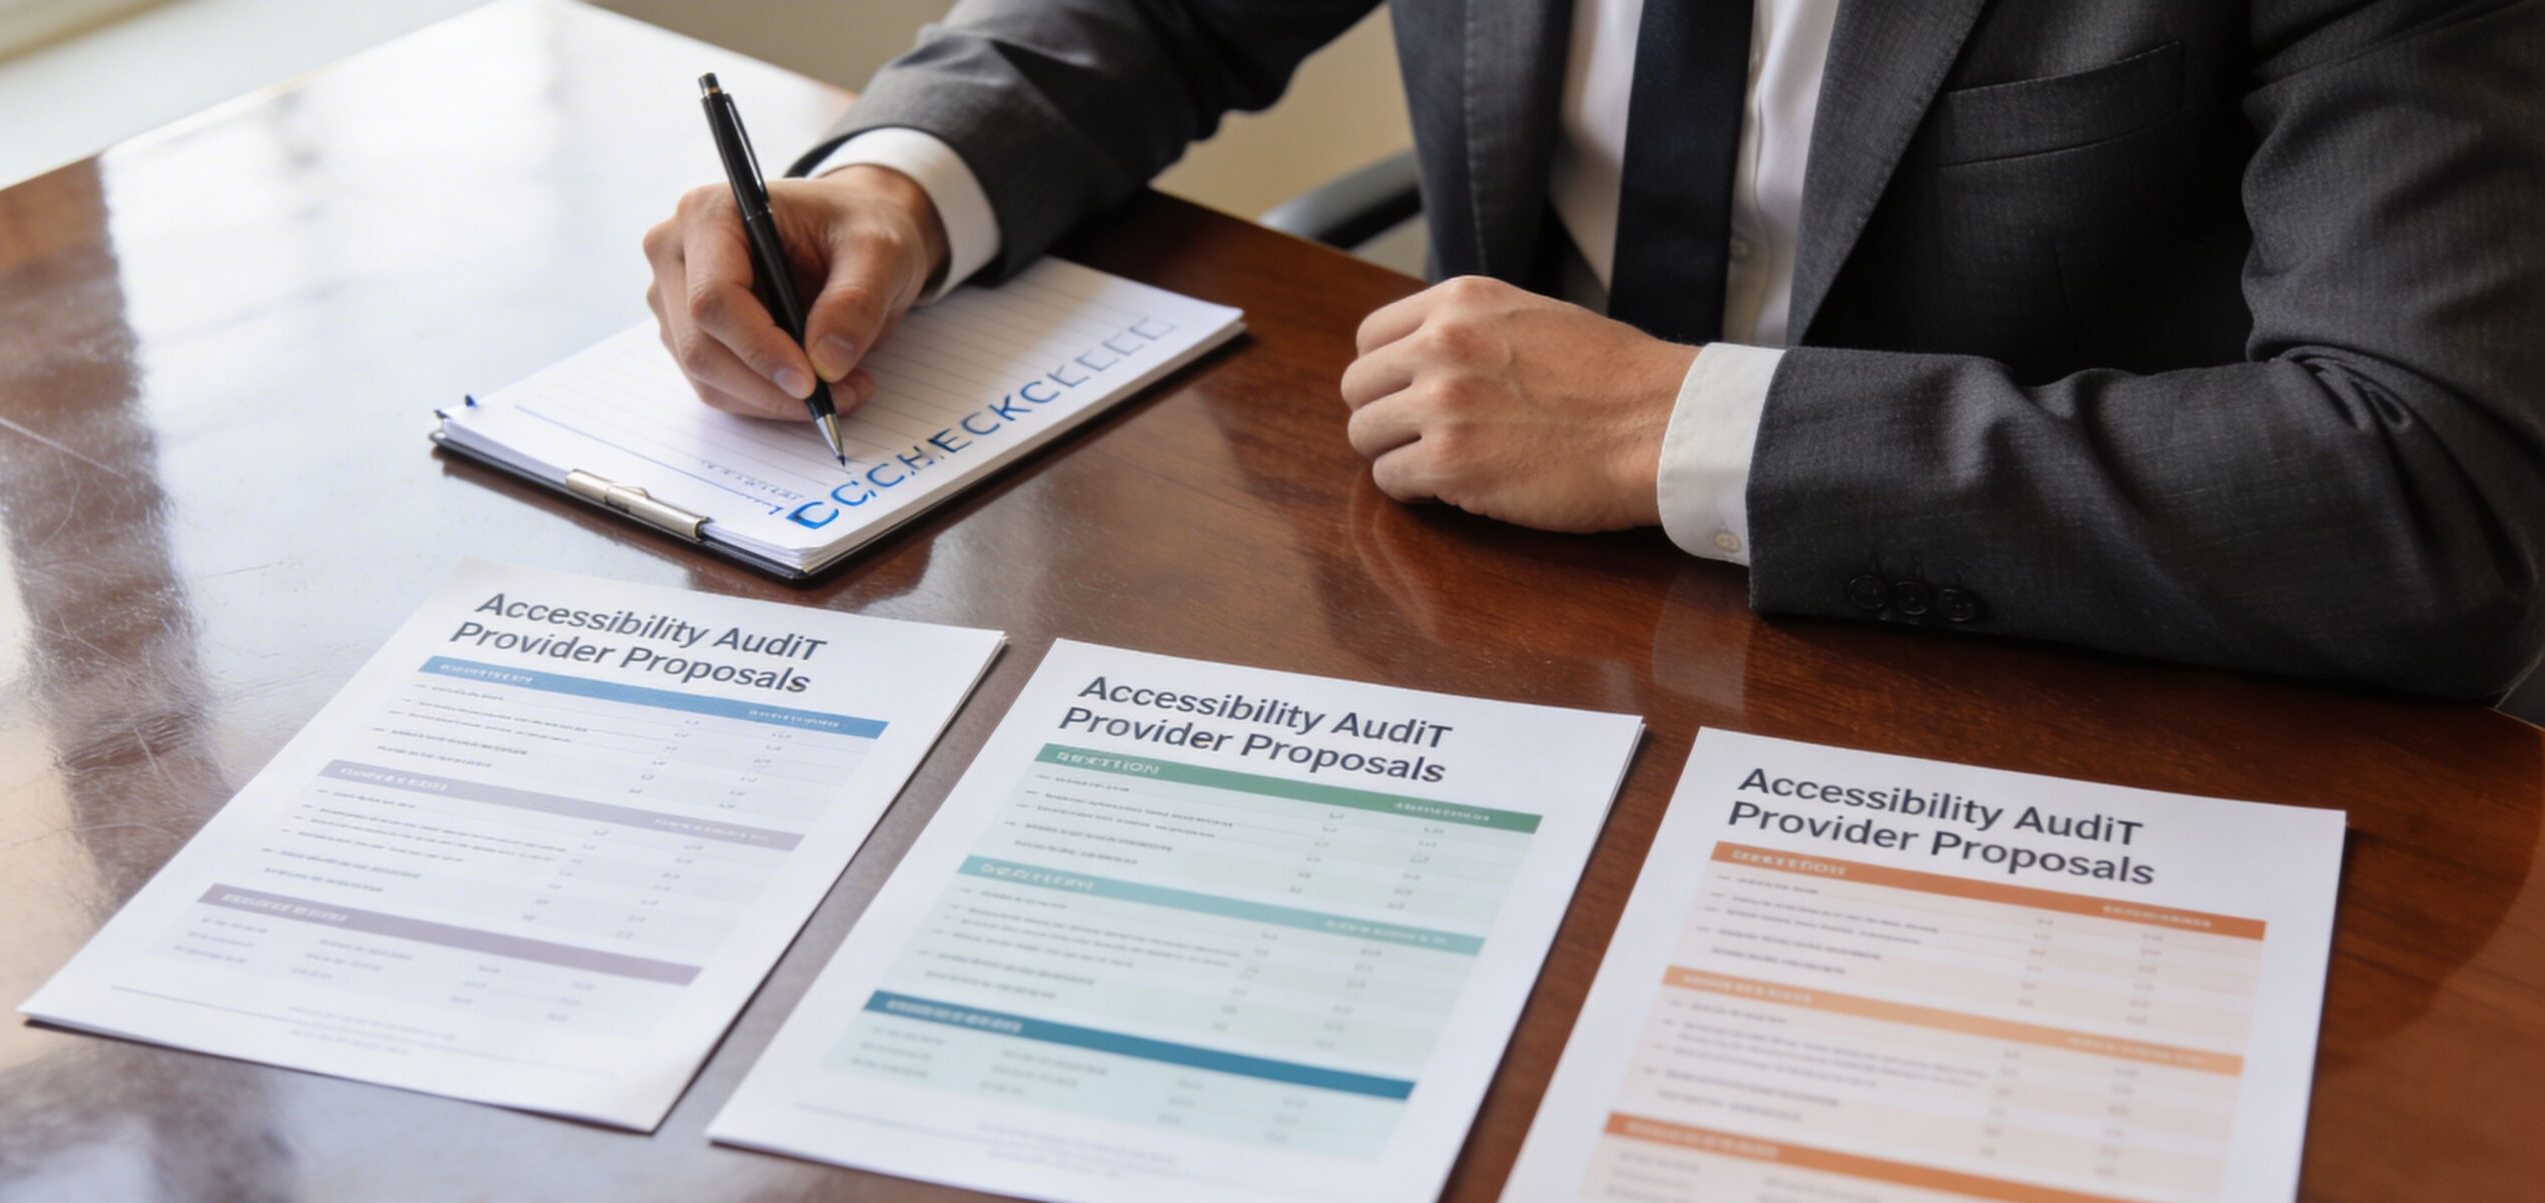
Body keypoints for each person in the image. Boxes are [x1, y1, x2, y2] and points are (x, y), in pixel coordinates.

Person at [641, 0, 2545, 697]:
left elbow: (2435, 489)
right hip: (1490, 630)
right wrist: (900, 181)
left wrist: (1683, 429)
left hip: (2033, 679)